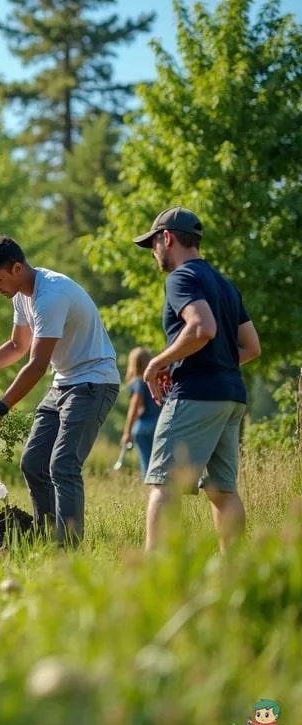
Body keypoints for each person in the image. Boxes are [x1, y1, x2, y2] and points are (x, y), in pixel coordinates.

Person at [0, 235, 120, 545]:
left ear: (17, 268)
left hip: (93, 381)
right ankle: (46, 538)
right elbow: (17, 346)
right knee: (34, 463)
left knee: (63, 465)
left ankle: (67, 549)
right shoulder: (21, 296)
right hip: (63, 381)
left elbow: (37, 365)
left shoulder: (51, 295)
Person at [132, 207, 260, 551]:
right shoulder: (225, 284)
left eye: (153, 244)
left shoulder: (181, 278)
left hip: (196, 395)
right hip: (231, 396)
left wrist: (157, 363)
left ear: (167, 238)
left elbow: (202, 328)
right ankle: (235, 569)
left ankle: (155, 573)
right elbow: (251, 347)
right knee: (222, 491)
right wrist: (204, 362)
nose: (154, 252)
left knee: (165, 486)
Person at [119, 347, 160, 480]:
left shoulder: (137, 382)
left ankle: (150, 488)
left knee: (147, 463)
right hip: (159, 423)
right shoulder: (155, 380)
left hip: (144, 425)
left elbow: (136, 406)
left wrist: (127, 432)